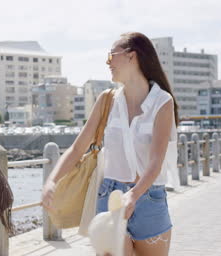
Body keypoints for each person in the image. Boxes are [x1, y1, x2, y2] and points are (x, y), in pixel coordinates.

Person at [42, 32, 179, 256]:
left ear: (131, 56)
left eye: (111, 56)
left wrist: (133, 196)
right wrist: (52, 180)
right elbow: (78, 147)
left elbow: (155, 162)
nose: (108, 63)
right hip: (110, 197)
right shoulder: (107, 100)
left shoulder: (162, 102)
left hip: (149, 199)